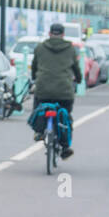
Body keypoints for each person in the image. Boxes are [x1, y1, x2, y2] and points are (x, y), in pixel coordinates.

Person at [29, 21, 82, 159]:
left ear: (49, 33)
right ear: (63, 35)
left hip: (43, 89)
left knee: (38, 107)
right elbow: (76, 68)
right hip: (64, 91)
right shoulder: (70, 48)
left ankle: (39, 131)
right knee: (66, 116)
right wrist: (79, 79)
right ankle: (65, 147)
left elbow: (34, 66)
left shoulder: (40, 48)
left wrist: (35, 77)